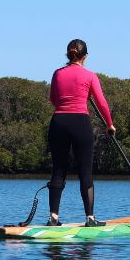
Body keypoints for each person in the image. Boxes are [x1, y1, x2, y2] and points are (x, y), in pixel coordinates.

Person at [47, 39, 116, 227]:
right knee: (85, 172)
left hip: (58, 122)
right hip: (80, 123)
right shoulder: (90, 76)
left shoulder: (57, 74)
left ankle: (53, 218)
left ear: (68, 55)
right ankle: (90, 219)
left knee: (58, 171)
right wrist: (110, 125)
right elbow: (101, 102)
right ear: (85, 56)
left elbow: (53, 99)